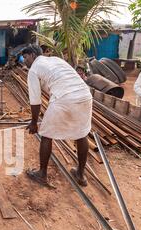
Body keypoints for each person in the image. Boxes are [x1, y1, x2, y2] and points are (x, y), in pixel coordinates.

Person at [22, 45, 93, 187]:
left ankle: (42, 174)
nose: (25, 61)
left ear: (33, 55)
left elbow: (35, 101)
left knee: (46, 135)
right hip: (85, 95)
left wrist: (34, 123)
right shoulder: (56, 60)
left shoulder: (34, 69)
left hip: (64, 98)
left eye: (25, 57)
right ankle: (80, 174)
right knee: (81, 134)